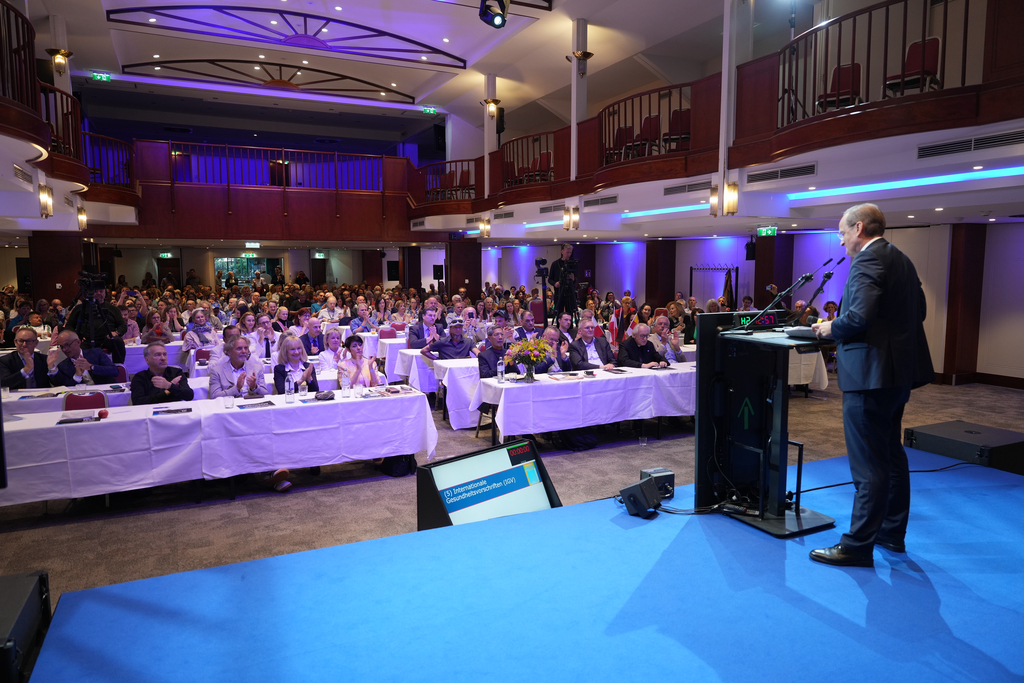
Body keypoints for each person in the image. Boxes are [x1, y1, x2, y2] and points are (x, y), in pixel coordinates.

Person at [809, 203, 934, 568]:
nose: (841, 239)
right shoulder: (901, 259)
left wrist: (830, 327)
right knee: (891, 455)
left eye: (842, 232)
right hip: (896, 375)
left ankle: (857, 545)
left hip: (869, 376)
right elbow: (919, 311)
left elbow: (859, 316)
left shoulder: (867, 260)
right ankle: (891, 533)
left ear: (859, 228)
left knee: (868, 464)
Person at [130, 342, 195, 405]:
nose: (163, 358)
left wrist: (169, 385)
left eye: (165, 354)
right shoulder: (140, 377)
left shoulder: (176, 373)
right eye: (158, 355)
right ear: (147, 360)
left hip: (174, 409)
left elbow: (189, 395)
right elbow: (138, 402)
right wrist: (168, 390)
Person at [209, 335, 269, 399]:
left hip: (252, 403)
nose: (244, 351)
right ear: (229, 352)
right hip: (230, 404)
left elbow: (266, 394)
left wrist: (254, 387)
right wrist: (236, 388)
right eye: (239, 348)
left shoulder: (257, 368)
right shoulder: (217, 371)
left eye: (246, 348)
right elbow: (214, 396)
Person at [49, 330, 119, 386]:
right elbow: (65, 388)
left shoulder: (96, 353)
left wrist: (91, 367)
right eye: (61, 347)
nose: (64, 349)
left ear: (78, 342)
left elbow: (115, 371)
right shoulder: (63, 366)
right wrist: (77, 377)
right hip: (81, 397)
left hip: (105, 392)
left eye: (67, 345)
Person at [548, 243, 577, 319]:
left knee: (570, 313)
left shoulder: (573, 264)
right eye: (567, 252)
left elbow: (577, 279)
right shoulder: (555, 264)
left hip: (570, 293)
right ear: (562, 252)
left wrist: (573, 278)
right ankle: (558, 325)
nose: (569, 254)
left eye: (570, 252)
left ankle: (570, 325)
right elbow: (550, 279)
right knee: (559, 313)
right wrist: (555, 283)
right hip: (559, 292)